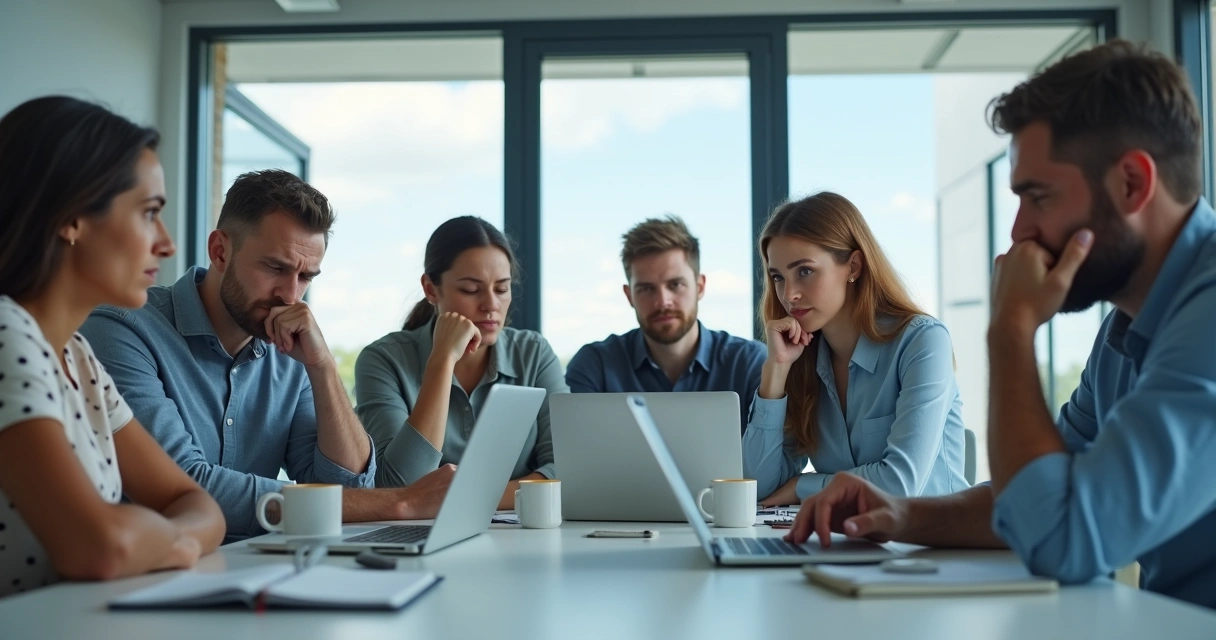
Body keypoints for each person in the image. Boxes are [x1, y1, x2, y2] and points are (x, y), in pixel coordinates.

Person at [784, 40, 1216, 610]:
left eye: (1038, 198)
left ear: (1132, 184)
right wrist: (904, 515)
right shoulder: (1123, 332)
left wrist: (1010, 330)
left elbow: (1060, 536)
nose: (1018, 232)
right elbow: (1034, 499)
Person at [80, 170, 453, 542]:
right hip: (149, 568)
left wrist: (322, 368)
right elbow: (185, 486)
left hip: (256, 565)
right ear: (220, 251)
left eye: (306, 277)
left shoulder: (293, 351)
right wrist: (399, 503)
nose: (290, 295)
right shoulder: (121, 331)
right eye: (275, 268)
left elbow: (347, 486)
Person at [0, 96, 225, 596]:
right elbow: (101, 548)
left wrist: (160, 539)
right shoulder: (6, 335)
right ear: (71, 218)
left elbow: (199, 504)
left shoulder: (77, 356)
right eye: (149, 213)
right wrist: (164, 538)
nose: (166, 243)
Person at [744, 192, 967, 506]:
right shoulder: (801, 357)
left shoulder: (923, 342)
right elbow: (758, 489)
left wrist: (802, 487)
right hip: (841, 536)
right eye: (778, 277)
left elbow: (899, 484)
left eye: (805, 271)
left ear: (854, 266)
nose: (789, 294)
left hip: (930, 536)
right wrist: (776, 371)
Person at [355, 216, 567, 509]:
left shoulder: (534, 353)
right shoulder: (383, 360)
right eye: (470, 290)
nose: (491, 305)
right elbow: (397, 486)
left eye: (502, 289)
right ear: (431, 289)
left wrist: (459, 499)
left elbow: (567, 469)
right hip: (421, 533)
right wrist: (442, 361)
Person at [565, 216, 766, 432]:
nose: (662, 302)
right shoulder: (595, 366)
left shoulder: (749, 363)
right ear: (629, 295)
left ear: (699, 287)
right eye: (646, 289)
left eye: (675, 284)